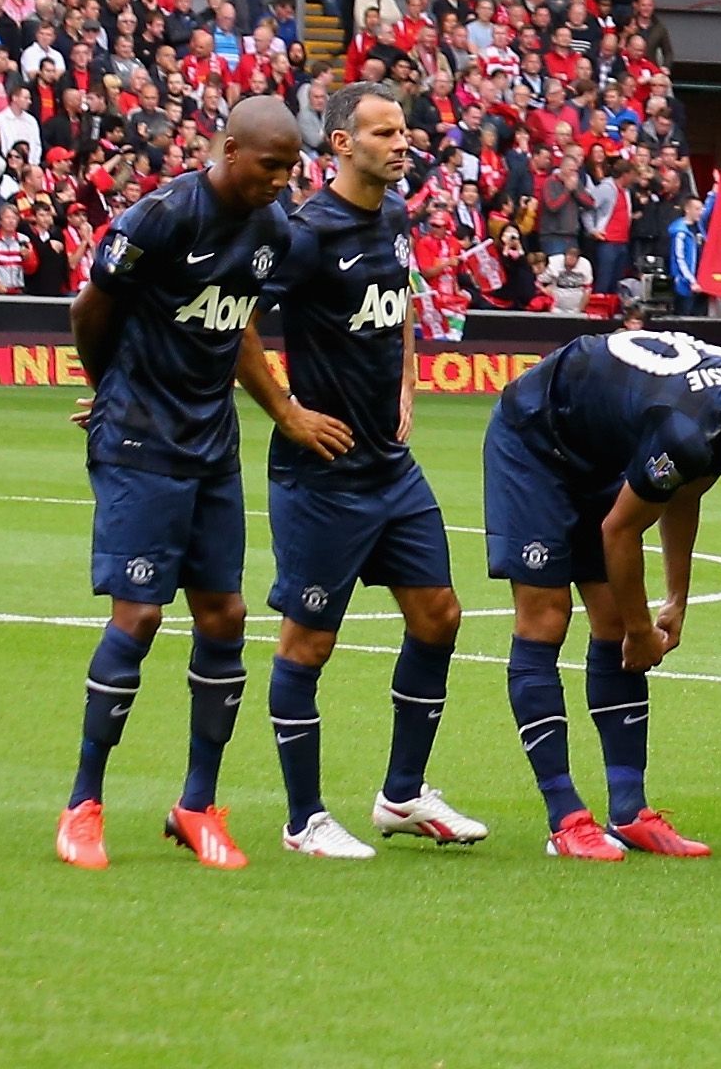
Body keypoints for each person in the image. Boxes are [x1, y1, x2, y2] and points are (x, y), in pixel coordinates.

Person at [60, 93, 322, 872]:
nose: (280, 181)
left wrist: (280, 406)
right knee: (137, 618)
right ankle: (82, 804)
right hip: (140, 440)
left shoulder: (274, 230)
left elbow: (238, 322)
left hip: (211, 444)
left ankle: (197, 803)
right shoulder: (161, 217)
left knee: (227, 613)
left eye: (290, 168)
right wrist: (110, 390)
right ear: (230, 150)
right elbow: (89, 309)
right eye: (269, 166)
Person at [480, 318, 721, 858]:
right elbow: (619, 531)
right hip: (535, 438)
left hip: (597, 444)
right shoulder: (687, 433)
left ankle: (628, 812)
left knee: (612, 622)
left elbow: (682, 495)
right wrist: (644, 632)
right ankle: (565, 818)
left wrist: (676, 601)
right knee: (547, 617)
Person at [258, 80, 482, 858]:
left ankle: (402, 795)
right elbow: (234, 323)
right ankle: (303, 820)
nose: (403, 141)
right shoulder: (304, 234)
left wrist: (409, 378)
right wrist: (286, 411)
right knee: (307, 645)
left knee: (440, 615)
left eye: (405, 130)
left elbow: (403, 300)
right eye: (385, 132)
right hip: (321, 475)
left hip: (390, 469)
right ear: (340, 143)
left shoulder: (392, 215)